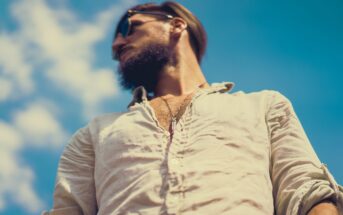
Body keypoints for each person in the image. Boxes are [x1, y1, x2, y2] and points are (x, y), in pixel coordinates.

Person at [43, 1, 342, 215]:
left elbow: (307, 193)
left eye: (129, 27)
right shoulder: (94, 133)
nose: (117, 44)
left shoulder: (264, 106)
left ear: (176, 25)